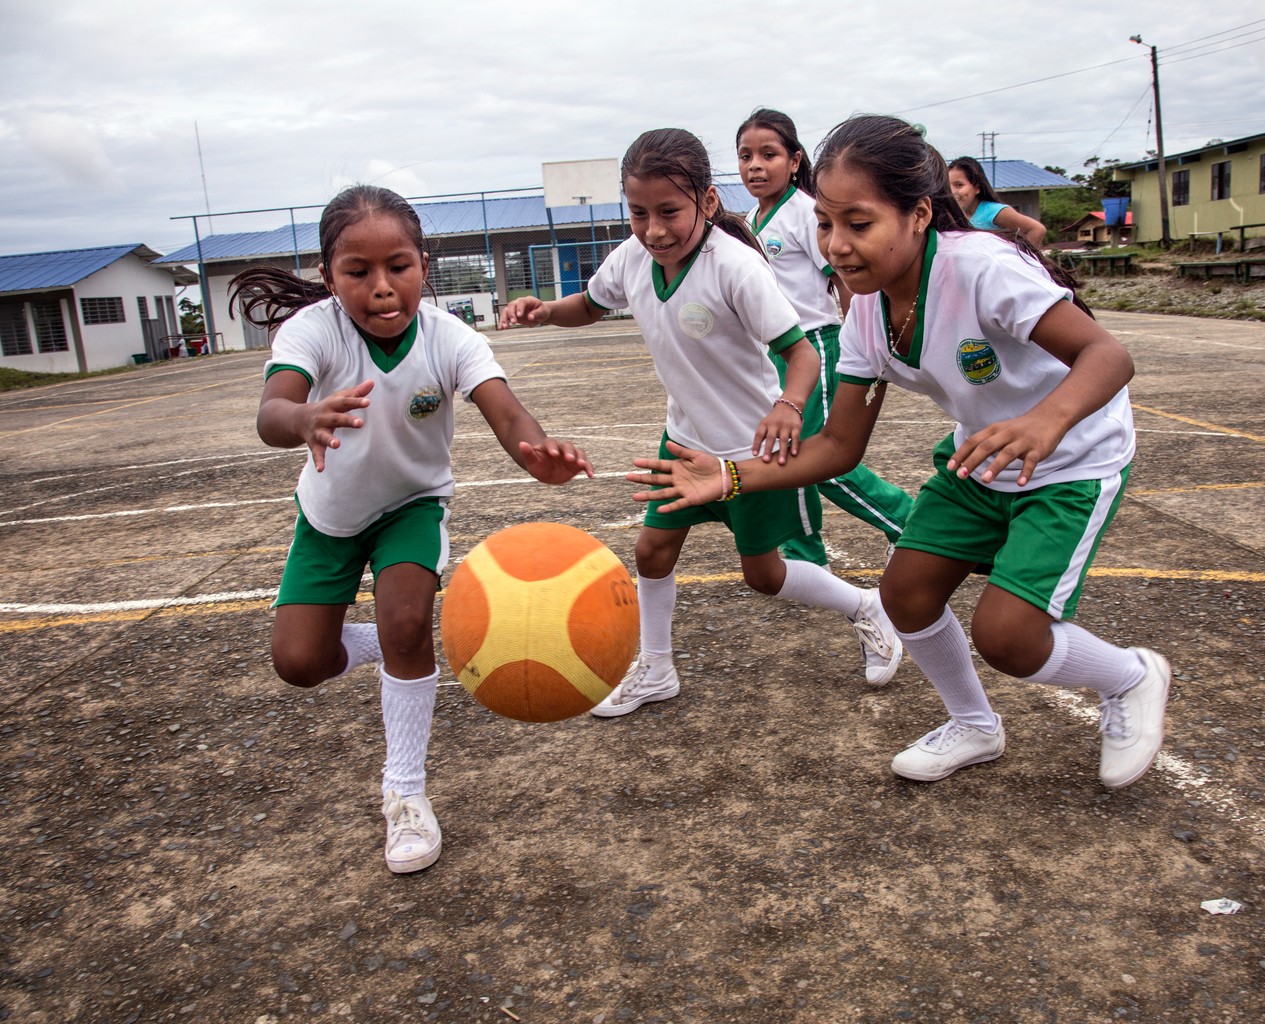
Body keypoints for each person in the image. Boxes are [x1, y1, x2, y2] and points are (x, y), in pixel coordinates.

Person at [631, 115, 1171, 790]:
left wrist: (1046, 421)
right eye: (826, 225)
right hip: (982, 461)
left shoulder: (981, 268)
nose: (836, 246)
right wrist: (731, 477)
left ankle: (1132, 676)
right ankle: (973, 724)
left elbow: (1107, 355)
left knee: (1007, 636)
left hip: (1071, 462)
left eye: (859, 224)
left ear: (919, 215)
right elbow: (837, 447)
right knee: (906, 595)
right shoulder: (865, 310)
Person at [230, 185, 592, 874]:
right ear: (328, 274)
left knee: (405, 623)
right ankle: (390, 642)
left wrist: (539, 455)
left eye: (398, 265)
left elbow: (508, 415)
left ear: (424, 264)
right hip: (329, 519)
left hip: (411, 506)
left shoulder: (449, 335)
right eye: (357, 272)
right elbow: (272, 409)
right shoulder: (312, 331)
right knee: (299, 664)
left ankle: (404, 794)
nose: (381, 286)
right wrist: (303, 419)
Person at [498, 127, 903, 716]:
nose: (654, 229)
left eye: (669, 211)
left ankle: (865, 607)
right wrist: (543, 312)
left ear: (707, 203)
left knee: (763, 576)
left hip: (749, 454)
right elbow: (589, 303)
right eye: (638, 212)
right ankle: (656, 668)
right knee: (652, 553)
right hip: (684, 443)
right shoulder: (634, 257)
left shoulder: (735, 267)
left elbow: (803, 353)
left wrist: (787, 407)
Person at [736, 107, 914, 559]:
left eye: (768, 154)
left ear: (795, 161)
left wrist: (863, 340)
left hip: (814, 342)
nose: (755, 165)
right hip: (776, 352)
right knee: (784, 454)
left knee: (827, 462)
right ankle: (803, 554)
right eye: (745, 155)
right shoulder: (752, 221)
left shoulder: (804, 212)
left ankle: (910, 524)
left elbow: (842, 278)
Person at [947, 156, 1048, 248]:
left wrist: (1019, 260)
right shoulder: (954, 216)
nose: (952, 192)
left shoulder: (993, 211)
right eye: (948, 186)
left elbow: (1037, 229)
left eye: (959, 185)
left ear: (977, 188)